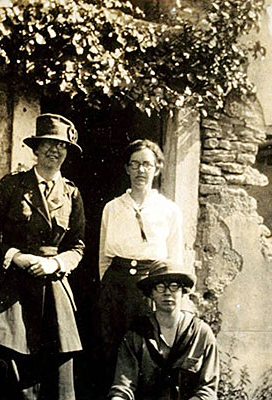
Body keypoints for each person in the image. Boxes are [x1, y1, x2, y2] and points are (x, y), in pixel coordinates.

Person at [0, 113, 86, 400]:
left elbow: (77, 247)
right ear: (36, 149)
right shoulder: (12, 186)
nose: (55, 150)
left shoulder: (72, 194)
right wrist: (15, 256)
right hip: (6, 290)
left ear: (67, 152)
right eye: (48, 143)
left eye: (61, 145)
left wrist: (55, 263)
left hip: (51, 292)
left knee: (53, 375)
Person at [97, 139, 184, 390]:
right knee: (111, 350)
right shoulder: (112, 208)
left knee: (149, 352)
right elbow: (104, 257)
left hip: (151, 286)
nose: (140, 171)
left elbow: (174, 259)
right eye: (134, 164)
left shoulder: (169, 210)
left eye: (147, 164)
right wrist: (108, 287)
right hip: (116, 286)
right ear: (127, 169)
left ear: (157, 168)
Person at [109, 260, 219, 400]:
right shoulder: (136, 335)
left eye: (174, 286)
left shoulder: (201, 334)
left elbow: (208, 390)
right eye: (160, 287)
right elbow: (123, 387)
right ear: (151, 293)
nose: (167, 293)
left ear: (182, 291)